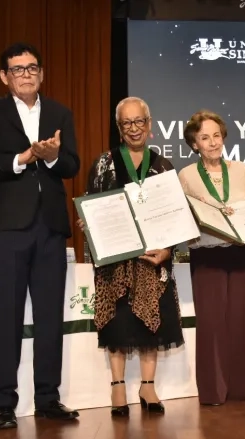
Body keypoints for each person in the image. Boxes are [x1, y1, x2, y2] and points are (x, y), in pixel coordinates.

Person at [0, 42, 80, 428]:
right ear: (5, 76)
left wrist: (51, 155)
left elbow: (72, 164)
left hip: (50, 228)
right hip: (6, 229)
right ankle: (4, 403)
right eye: (17, 69)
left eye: (32, 67)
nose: (26, 74)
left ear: (42, 73)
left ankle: (48, 398)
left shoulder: (60, 113)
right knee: (5, 317)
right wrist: (24, 158)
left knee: (51, 316)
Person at [178, 110, 245, 405]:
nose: (213, 142)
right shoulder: (186, 176)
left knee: (241, 320)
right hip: (207, 254)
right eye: (204, 137)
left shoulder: (242, 170)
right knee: (211, 324)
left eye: (216, 135)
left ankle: (242, 389)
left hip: (242, 253)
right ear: (194, 144)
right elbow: (182, 223)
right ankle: (213, 392)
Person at [82, 97, 184, 416]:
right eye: (127, 123)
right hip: (116, 262)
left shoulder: (163, 165)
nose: (134, 128)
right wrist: (90, 224)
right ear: (119, 127)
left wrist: (169, 250)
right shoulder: (104, 164)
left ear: (149, 124)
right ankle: (117, 387)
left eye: (139, 121)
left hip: (154, 261)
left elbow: (176, 216)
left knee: (151, 325)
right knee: (117, 324)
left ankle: (148, 386)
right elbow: (91, 207)